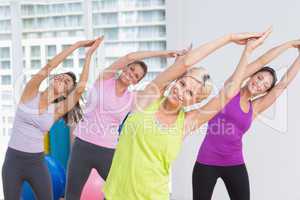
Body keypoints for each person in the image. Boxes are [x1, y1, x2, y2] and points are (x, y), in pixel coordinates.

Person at [103, 28, 271, 200]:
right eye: (182, 84)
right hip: (113, 195)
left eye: (190, 93)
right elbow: (185, 64)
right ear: (176, 80)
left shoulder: (189, 121)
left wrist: (248, 51)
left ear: (195, 101)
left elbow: (228, 94)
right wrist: (228, 38)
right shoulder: (149, 97)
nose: (181, 92)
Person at [65, 47, 182, 199]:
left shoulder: (131, 99)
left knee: (118, 193)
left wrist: (178, 64)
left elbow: (158, 88)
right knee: (71, 195)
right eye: (131, 69)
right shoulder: (104, 79)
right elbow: (129, 56)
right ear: (125, 67)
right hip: (82, 146)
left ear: (136, 82)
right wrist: (164, 53)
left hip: (108, 151)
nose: (131, 74)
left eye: (136, 75)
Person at [192, 38, 300, 200]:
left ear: (264, 92)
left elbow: (282, 85)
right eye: (260, 78)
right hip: (207, 161)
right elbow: (261, 61)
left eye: (265, 85)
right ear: (251, 76)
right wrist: (289, 44)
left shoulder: (255, 107)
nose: (260, 84)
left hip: (234, 162)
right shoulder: (230, 89)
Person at [1, 37, 103, 200]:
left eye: (67, 82)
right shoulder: (30, 93)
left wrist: (89, 55)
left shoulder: (57, 109)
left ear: (65, 93)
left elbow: (80, 89)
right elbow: (49, 66)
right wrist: (76, 45)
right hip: (13, 160)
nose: (63, 78)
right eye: (62, 76)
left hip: (36, 163)